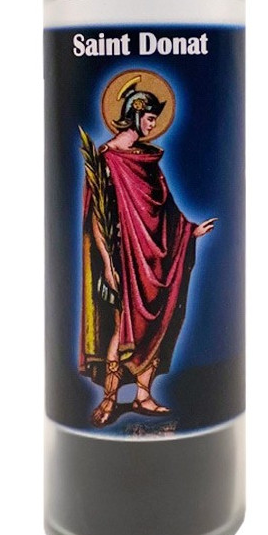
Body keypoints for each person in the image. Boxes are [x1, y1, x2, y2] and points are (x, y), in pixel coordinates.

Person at [79, 80, 216, 426]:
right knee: (121, 327)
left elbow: (164, 208)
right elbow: (97, 218)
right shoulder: (107, 159)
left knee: (156, 325)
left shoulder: (148, 159)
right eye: (150, 118)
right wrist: (107, 263)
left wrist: (190, 231)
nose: (153, 125)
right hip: (122, 256)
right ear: (135, 115)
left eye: (156, 119)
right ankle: (109, 399)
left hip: (155, 258)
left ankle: (143, 396)